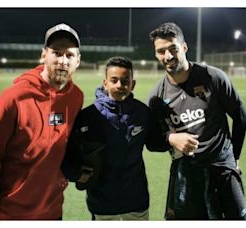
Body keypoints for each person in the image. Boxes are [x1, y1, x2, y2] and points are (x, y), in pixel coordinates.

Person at [0, 22, 83, 220]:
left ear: (78, 61)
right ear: (43, 55)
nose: (63, 61)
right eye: (56, 53)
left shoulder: (76, 97)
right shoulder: (14, 97)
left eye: (69, 55)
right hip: (12, 212)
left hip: (53, 210)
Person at [148, 22, 246, 220]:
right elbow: (151, 141)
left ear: (184, 48)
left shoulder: (213, 77)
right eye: (161, 51)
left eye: (173, 49)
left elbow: (241, 116)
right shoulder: (156, 97)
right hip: (187, 174)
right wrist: (171, 138)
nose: (167, 56)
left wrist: (234, 157)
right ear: (156, 54)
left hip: (222, 168)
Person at [62, 56, 168, 220]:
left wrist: (164, 120)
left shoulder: (142, 113)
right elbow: (69, 150)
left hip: (136, 200)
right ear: (105, 83)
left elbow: (157, 144)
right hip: (101, 202)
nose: (120, 85)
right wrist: (75, 174)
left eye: (125, 81)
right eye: (114, 80)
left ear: (133, 84)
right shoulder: (89, 116)